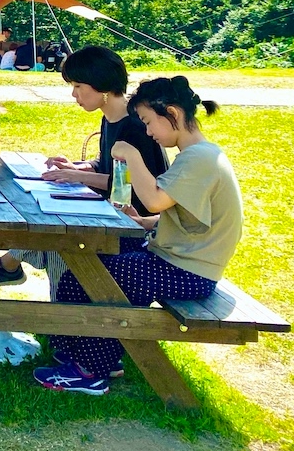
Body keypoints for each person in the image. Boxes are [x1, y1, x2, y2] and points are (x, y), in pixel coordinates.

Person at [35, 75, 240, 395]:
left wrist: (132, 155)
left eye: (148, 122)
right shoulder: (197, 156)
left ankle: (91, 370)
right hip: (177, 259)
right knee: (85, 268)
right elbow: (186, 217)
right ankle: (81, 352)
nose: (148, 132)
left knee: (98, 276)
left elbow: (155, 198)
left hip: (189, 271)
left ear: (171, 113)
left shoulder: (199, 158)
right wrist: (144, 223)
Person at [0, 45, 168, 295]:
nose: (74, 94)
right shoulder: (110, 117)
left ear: (101, 84)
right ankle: (32, 281)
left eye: (78, 86)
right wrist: (77, 166)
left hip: (133, 221)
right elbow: (107, 163)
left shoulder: (136, 126)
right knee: (49, 218)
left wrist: (76, 175)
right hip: (110, 210)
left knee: (60, 234)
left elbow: (132, 183)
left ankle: (55, 299)